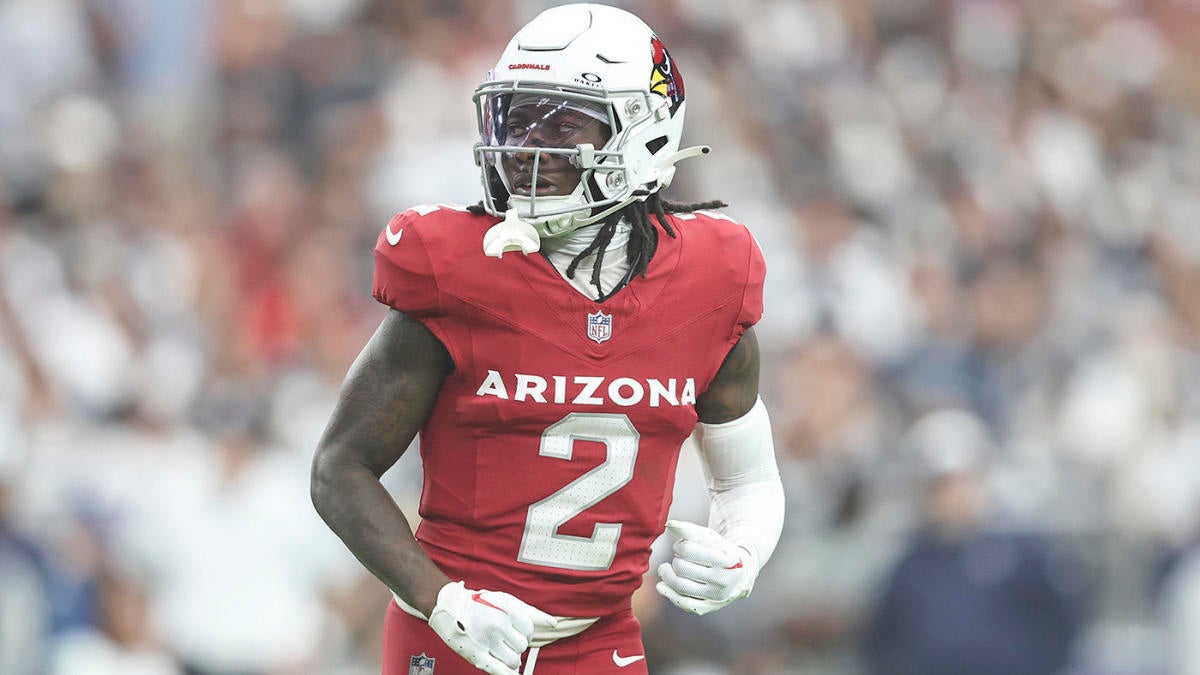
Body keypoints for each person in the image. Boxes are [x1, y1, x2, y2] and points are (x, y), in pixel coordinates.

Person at [310, 4, 785, 674]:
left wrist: (745, 551)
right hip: (453, 636)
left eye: (565, 121)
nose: (531, 144)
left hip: (599, 640)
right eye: (519, 116)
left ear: (645, 133)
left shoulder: (713, 276)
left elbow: (748, 476)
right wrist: (441, 599)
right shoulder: (457, 269)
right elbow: (339, 467)